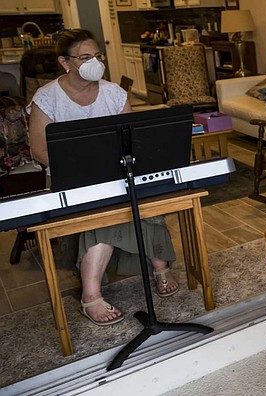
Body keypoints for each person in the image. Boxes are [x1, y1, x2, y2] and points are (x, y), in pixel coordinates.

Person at [26, 29, 178, 326]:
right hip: (70, 184)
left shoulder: (114, 93)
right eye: (85, 57)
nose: (94, 62)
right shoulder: (47, 97)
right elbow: (39, 150)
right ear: (64, 62)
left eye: (97, 56)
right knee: (106, 213)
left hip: (115, 177)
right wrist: (83, 171)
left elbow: (132, 140)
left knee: (142, 200)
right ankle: (90, 296)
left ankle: (160, 267)